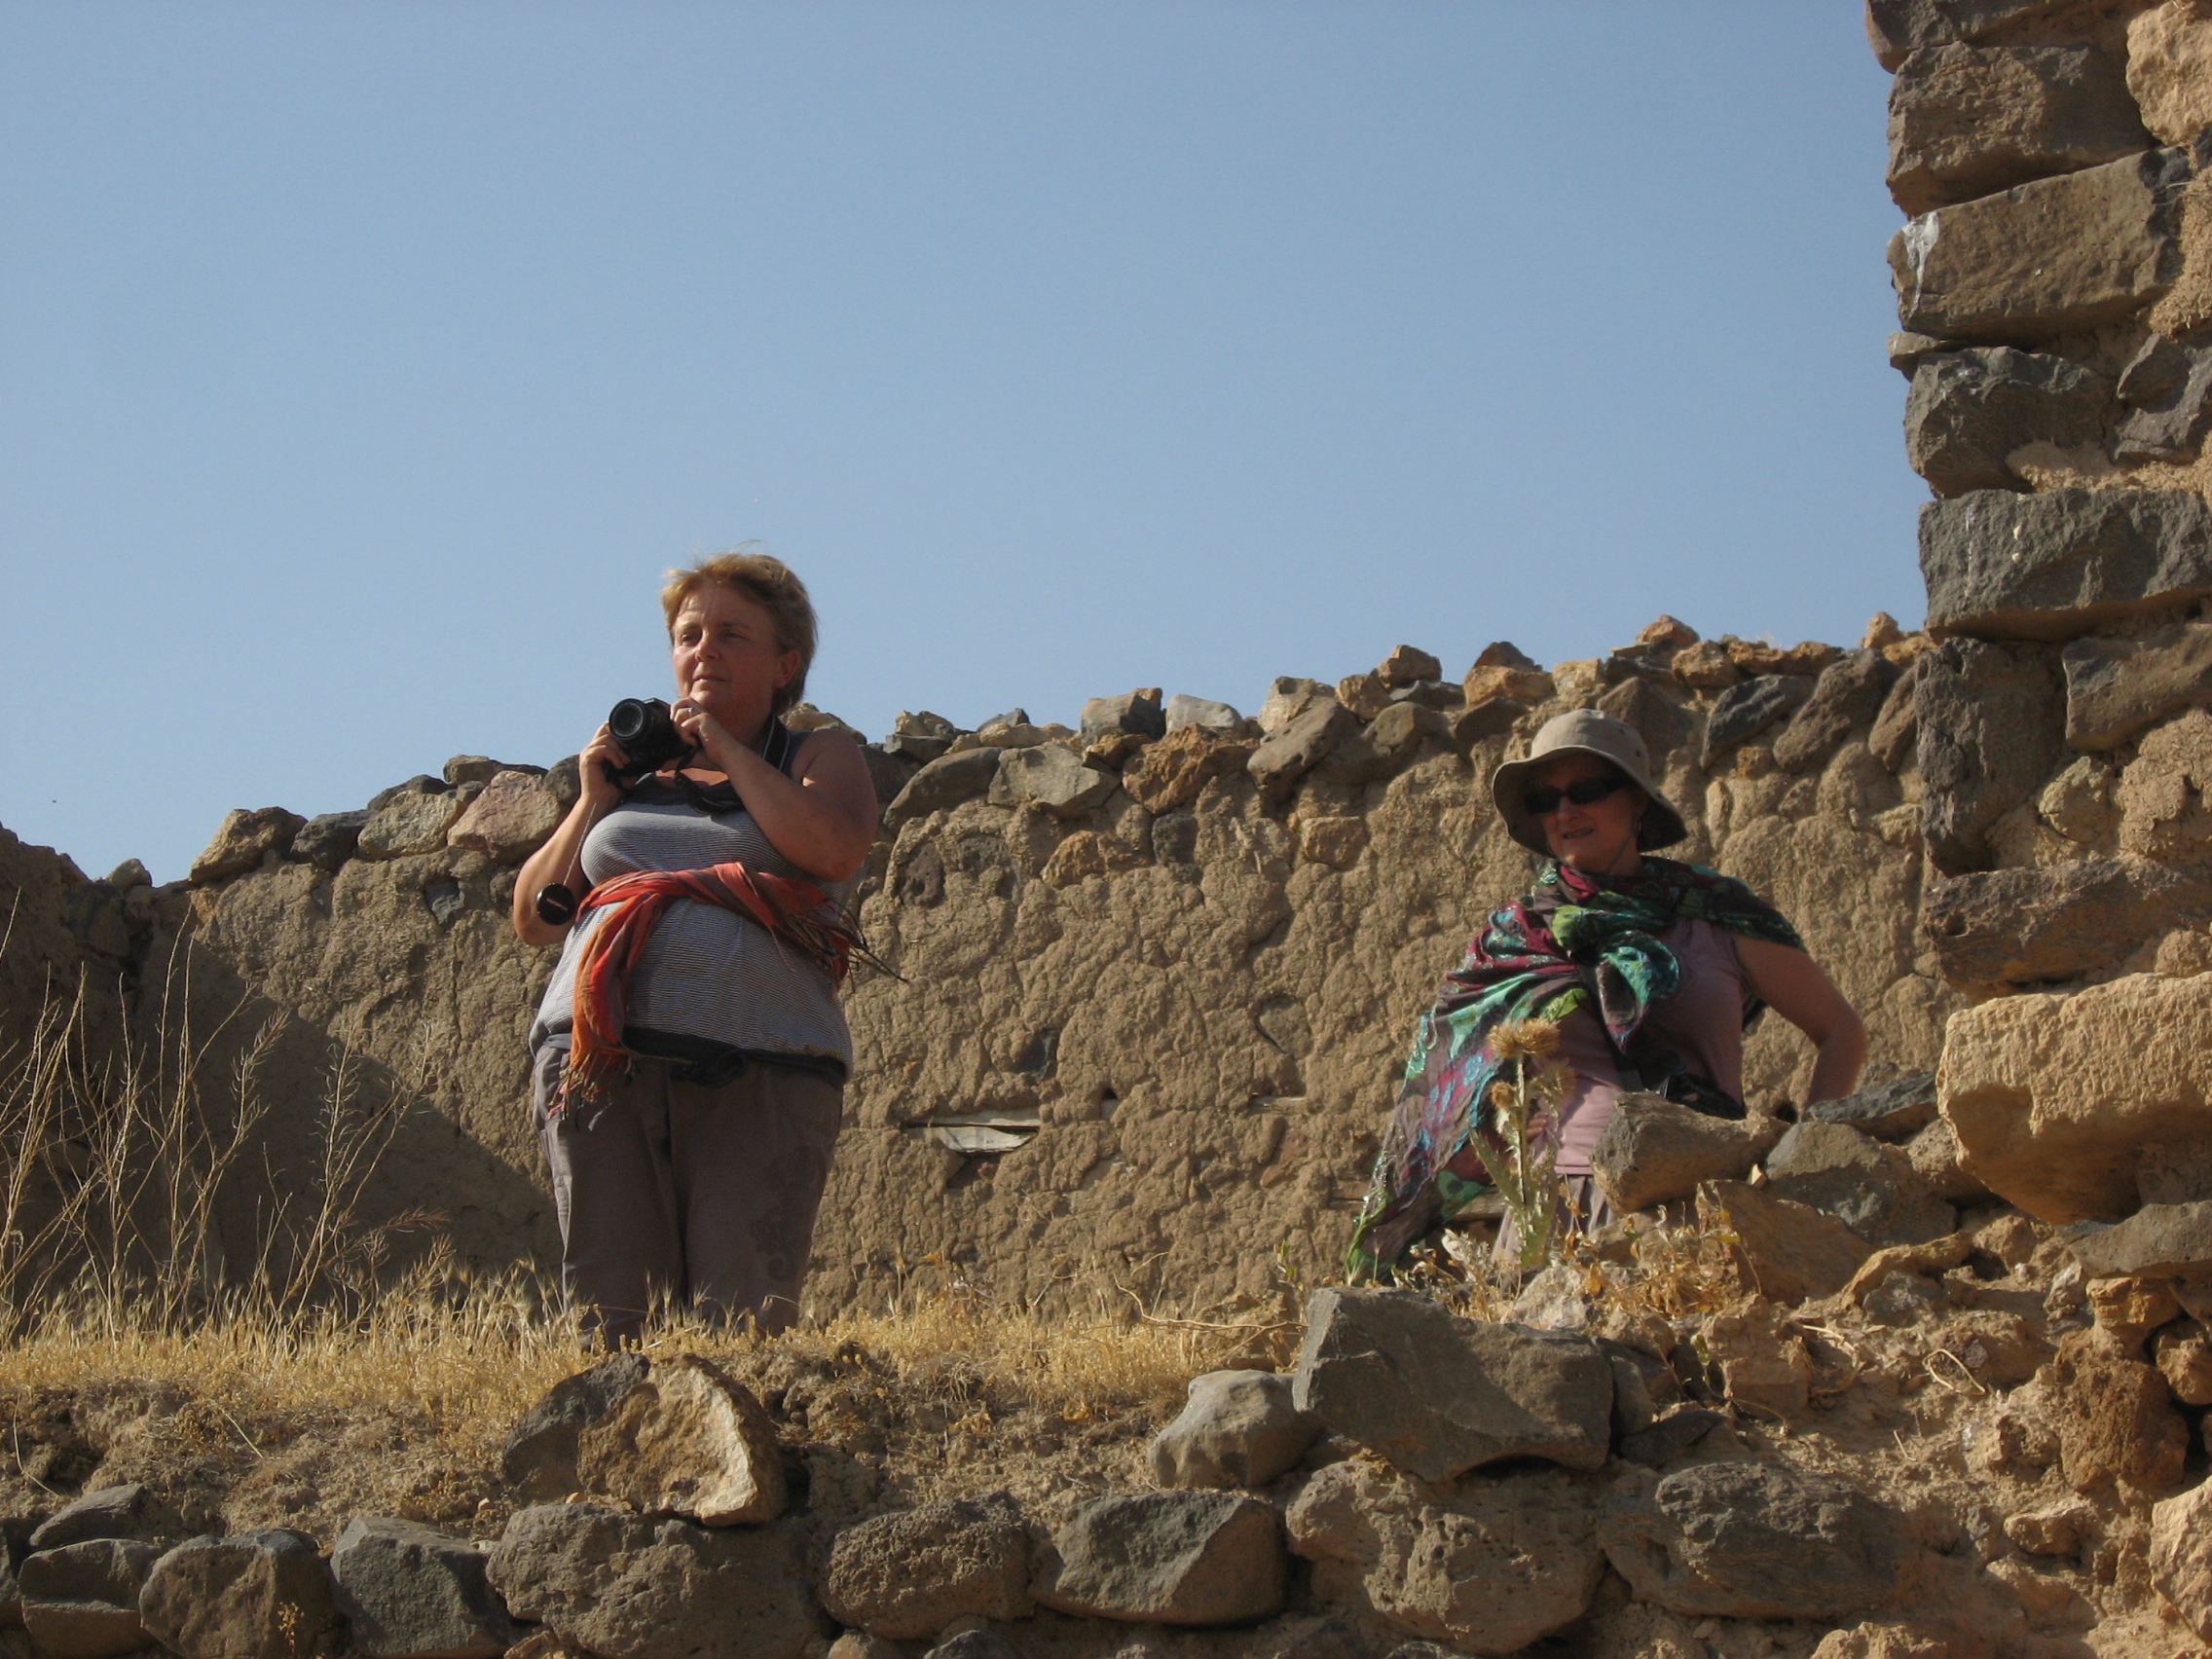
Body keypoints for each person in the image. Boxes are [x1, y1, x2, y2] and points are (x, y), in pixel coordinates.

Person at [1346, 709, 1865, 1277]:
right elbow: (1451, 1083)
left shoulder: (1716, 915)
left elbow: (1840, 1032)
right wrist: (1506, 1130)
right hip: (1556, 1213)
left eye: (1587, 791)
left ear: (1638, 799)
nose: (1564, 812)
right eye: (1545, 800)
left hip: (1697, 1202)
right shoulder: (1517, 939)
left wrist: (1801, 1161)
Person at [513, 550, 880, 1345]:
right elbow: (537, 918)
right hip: (599, 1063)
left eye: (731, 635)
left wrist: (727, 749)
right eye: (688, 635)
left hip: (763, 1067)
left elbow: (833, 848)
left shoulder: (812, 756)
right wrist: (591, 801)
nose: (703, 651)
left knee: (743, 1326)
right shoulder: (633, 777)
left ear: (785, 664)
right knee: (614, 1324)